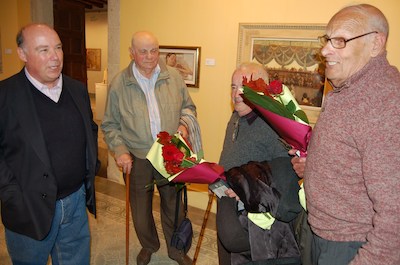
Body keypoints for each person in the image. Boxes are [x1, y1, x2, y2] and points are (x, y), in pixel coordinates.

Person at [290, 4, 400, 264]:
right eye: (327, 40)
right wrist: (315, 167)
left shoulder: (386, 101)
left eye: (340, 41)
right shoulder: (349, 86)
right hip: (322, 234)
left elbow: (395, 213)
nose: (325, 50)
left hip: (352, 245)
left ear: (375, 43)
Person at [0, 23, 99, 264]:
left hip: (75, 201)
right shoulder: (5, 95)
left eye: (58, 48)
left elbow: (90, 130)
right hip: (29, 206)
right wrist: (11, 193)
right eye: (43, 50)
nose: (55, 57)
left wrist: (90, 169)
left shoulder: (77, 89)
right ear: (23, 54)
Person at [101, 31, 198, 265]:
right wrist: (120, 149)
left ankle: (176, 250)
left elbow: (188, 108)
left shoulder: (173, 77)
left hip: (169, 153)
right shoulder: (119, 84)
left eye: (154, 50)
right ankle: (149, 245)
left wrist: (184, 126)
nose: (149, 56)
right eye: (143, 51)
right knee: (140, 208)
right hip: (137, 156)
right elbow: (110, 124)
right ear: (132, 53)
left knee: (173, 205)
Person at [216, 62, 300, 264]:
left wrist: (246, 189)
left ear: (261, 90)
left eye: (243, 88)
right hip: (227, 196)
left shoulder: (274, 126)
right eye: (233, 86)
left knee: (238, 250)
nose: (236, 94)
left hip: (252, 213)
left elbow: (284, 176)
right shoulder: (237, 114)